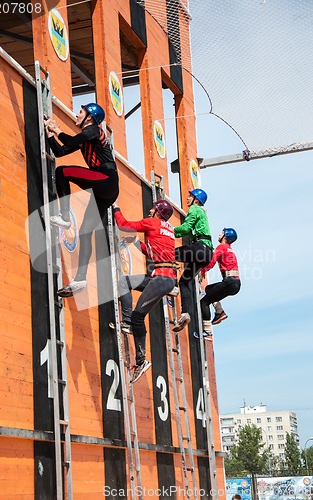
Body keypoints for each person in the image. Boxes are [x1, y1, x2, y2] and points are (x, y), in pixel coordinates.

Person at [44, 103, 119, 297]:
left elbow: (70, 141)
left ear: (90, 117)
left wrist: (57, 129)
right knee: (85, 232)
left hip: (106, 180)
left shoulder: (93, 130)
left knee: (62, 172)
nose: (77, 115)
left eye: (81, 112)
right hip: (106, 190)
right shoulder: (86, 138)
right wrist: (51, 135)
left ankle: (65, 216)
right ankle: (80, 279)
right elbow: (61, 151)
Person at [112, 199, 177, 383]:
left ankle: (141, 360)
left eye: (153, 208)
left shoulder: (152, 222)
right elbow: (151, 251)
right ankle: (128, 323)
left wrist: (116, 208)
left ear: (158, 212)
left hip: (161, 278)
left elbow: (124, 225)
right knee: (123, 283)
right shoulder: (169, 229)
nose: (150, 210)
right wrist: (134, 243)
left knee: (138, 317)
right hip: (164, 276)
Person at [172, 189, 213, 332]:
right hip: (207, 253)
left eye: (190, 196)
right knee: (184, 280)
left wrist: (168, 230)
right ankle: (185, 313)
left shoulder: (195, 209)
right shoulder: (202, 213)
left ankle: (168, 282)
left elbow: (185, 228)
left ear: (196, 199)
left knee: (170, 254)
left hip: (200, 248)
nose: (187, 198)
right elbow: (189, 231)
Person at [198, 228, 241, 337]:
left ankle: (207, 331)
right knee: (208, 289)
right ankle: (219, 311)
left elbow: (212, 261)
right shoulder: (230, 249)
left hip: (229, 282)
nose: (219, 234)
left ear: (225, 236)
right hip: (235, 283)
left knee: (204, 302)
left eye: (222, 233)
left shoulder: (221, 247)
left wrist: (202, 271)